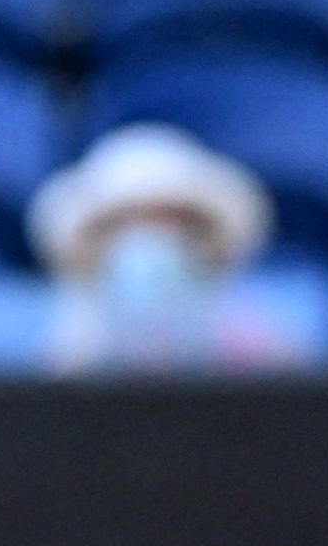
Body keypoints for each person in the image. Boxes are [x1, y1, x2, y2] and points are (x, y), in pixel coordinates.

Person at [26, 123, 295, 373]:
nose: (151, 234)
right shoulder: (68, 335)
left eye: (167, 218)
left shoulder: (240, 326)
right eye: (128, 222)